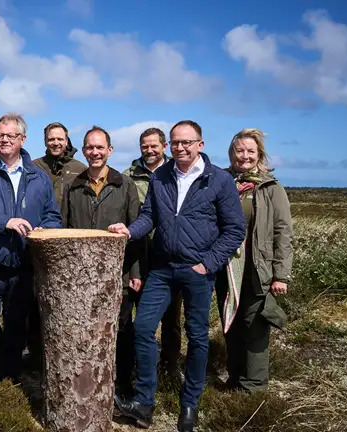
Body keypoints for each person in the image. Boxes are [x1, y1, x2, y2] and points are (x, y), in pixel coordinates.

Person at [109, 120, 245, 431]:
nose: (180, 148)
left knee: (197, 337)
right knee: (143, 328)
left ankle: (189, 404)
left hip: (198, 270)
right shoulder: (161, 176)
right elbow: (149, 216)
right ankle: (144, 402)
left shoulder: (220, 180)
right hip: (162, 268)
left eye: (186, 142)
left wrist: (208, 263)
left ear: (201, 143)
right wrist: (129, 231)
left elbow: (234, 229)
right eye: (175, 143)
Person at [0, 113, 62, 416]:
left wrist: (46, 230)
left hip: (22, 266)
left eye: (10, 135)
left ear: (22, 140)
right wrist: (6, 222)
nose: (4, 140)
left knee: (17, 326)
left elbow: (52, 215)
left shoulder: (38, 177)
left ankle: (9, 378)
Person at [61, 126, 141, 398]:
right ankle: (88, 383)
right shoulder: (73, 186)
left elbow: (136, 230)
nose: (94, 152)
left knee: (120, 328)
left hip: (117, 274)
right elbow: (64, 230)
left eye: (99, 147)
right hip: (80, 276)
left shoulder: (125, 185)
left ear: (110, 150)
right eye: (90, 148)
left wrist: (135, 272)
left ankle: (121, 383)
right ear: (83, 151)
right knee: (86, 329)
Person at [215, 128, 292, 393]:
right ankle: (235, 379)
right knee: (231, 325)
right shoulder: (222, 182)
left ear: (259, 154)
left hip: (258, 270)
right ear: (231, 153)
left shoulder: (270, 187)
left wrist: (281, 275)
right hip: (226, 270)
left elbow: (283, 232)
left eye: (251, 151)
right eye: (240, 150)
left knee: (255, 328)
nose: (245, 156)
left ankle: (254, 388)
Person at [123, 127, 183, 382]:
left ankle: (170, 364)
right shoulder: (128, 177)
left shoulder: (176, 174)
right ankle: (133, 365)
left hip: (169, 253)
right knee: (133, 313)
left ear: (164, 146)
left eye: (153, 146)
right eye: (144, 146)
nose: (149, 150)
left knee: (171, 316)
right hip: (138, 252)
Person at [32, 122, 87, 211]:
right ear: (45, 142)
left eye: (60, 139)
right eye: (51, 139)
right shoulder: (34, 167)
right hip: (41, 223)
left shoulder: (80, 169)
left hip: (70, 224)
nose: (56, 143)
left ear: (66, 141)